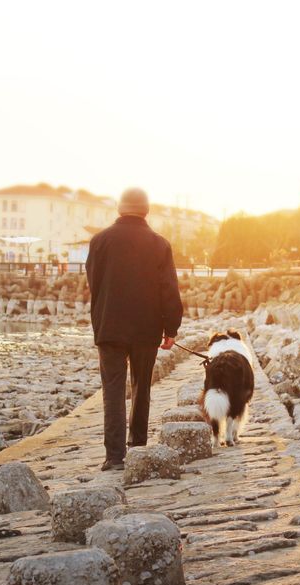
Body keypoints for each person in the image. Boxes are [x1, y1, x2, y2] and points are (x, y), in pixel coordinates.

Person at [85, 187, 184, 471]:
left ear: (119, 208)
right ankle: (138, 445)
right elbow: (169, 290)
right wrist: (171, 328)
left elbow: (95, 283)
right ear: (146, 209)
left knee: (113, 391)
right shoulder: (159, 244)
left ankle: (114, 457)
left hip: (110, 326)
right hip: (146, 327)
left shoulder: (99, 241)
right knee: (142, 387)